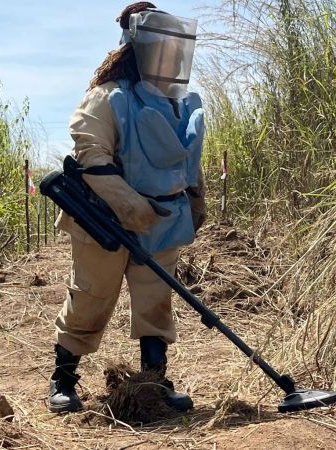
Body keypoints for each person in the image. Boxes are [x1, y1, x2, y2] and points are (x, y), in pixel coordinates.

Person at [46, 2, 206, 414]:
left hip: (163, 221)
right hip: (104, 219)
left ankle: (155, 380)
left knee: (156, 299)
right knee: (91, 296)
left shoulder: (180, 103)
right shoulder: (106, 98)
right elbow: (91, 156)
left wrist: (195, 199)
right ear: (142, 48)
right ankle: (63, 379)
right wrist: (131, 208)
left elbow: (188, 159)